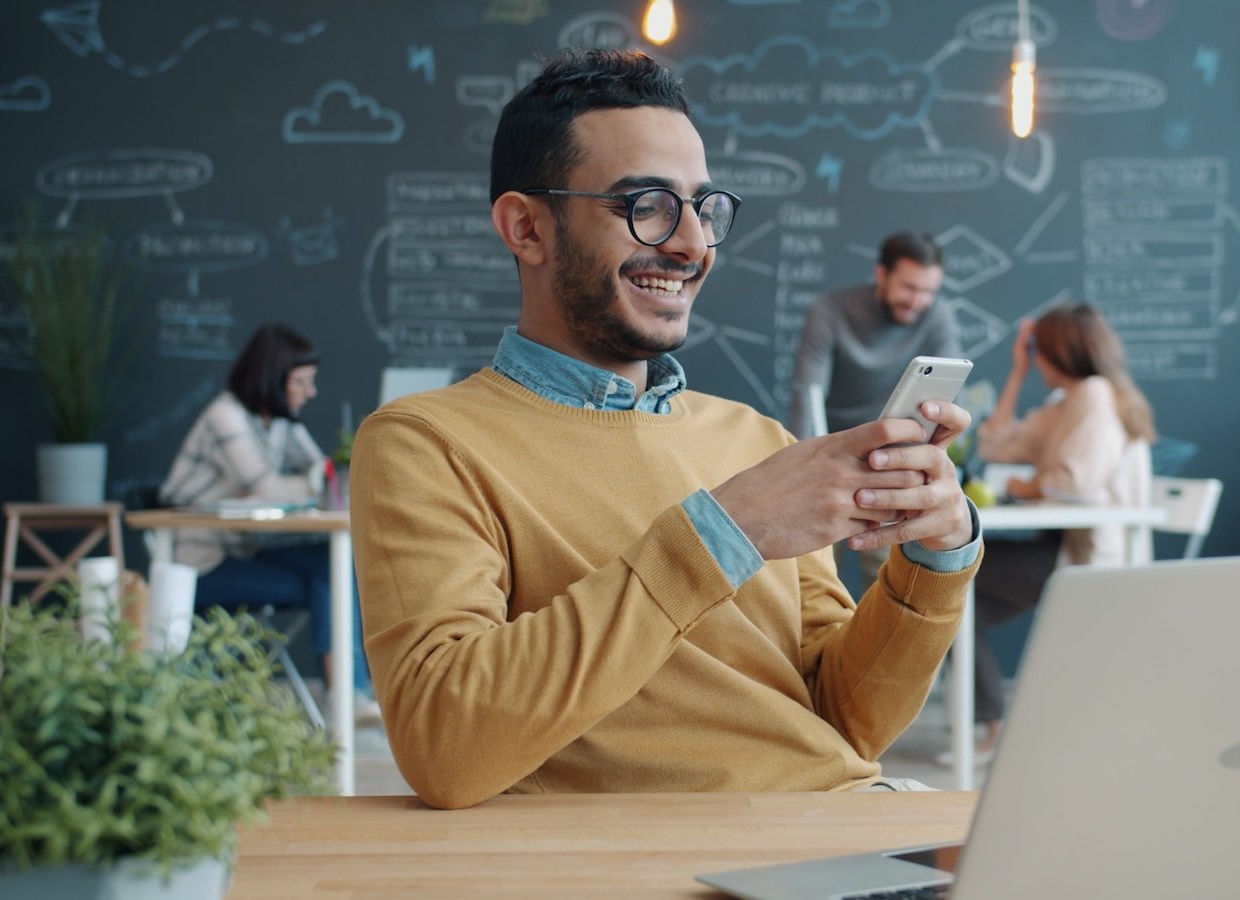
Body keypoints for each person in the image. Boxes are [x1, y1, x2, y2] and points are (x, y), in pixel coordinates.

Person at [349, 49, 982, 809]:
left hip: (839, 826)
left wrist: (935, 560)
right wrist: (726, 530)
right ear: (526, 228)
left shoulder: (756, 440)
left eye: (703, 207)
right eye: (645, 205)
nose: (691, 245)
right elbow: (445, 743)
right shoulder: (426, 443)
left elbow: (845, 719)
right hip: (660, 862)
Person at [963, 301, 1156, 761]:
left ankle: (995, 726)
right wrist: (1016, 374)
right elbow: (995, 443)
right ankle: (996, 727)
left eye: (1039, 354)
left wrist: (1025, 485)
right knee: (958, 604)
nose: (1038, 362)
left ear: (1059, 352)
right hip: (1064, 551)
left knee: (954, 576)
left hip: (1091, 560)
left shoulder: (1093, 393)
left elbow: (1076, 483)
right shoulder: (1069, 401)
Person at [160, 323, 376, 721]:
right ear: (273, 379)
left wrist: (330, 474)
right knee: (329, 574)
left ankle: (349, 694)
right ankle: (346, 697)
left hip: (246, 550)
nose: (310, 393)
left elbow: (317, 469)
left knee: (333, 564)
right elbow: (265, 483)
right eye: (301, 382)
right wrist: (323, 480)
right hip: (200, 566)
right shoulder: (225, 415)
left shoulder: (279, 423)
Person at [788, 232, 962, 587]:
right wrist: (807, 469)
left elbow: (948, 395)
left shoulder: (937, 315)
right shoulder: (831, 311)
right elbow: (808, 394)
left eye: (928, 291)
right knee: (814, 574)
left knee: (888, 575)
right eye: (908, 287)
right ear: (881, 275)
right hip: (834, 455)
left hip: (895, 462)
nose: (918, 301)